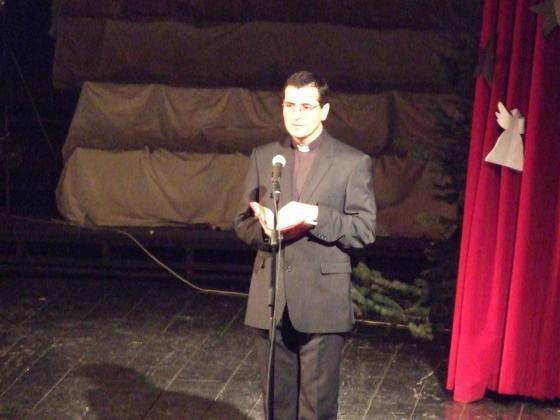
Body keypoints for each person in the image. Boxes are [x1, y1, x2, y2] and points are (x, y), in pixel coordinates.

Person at [234, 71, 376, 419]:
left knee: (317, 408)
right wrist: (266, 229)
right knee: (277, 406)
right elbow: (242, 222)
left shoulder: (352, 162)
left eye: (306, 106)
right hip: (271, 297)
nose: (296, 114)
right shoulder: (265, 156)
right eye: (289, 105)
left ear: (324, 111)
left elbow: (363, 230)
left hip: (321, 299)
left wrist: (314, 215)